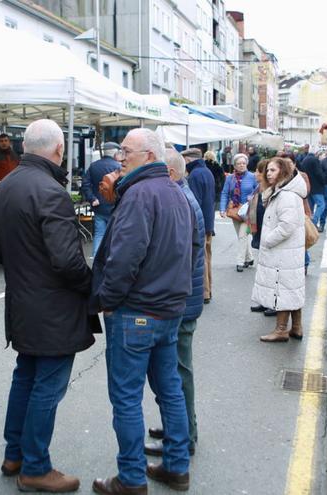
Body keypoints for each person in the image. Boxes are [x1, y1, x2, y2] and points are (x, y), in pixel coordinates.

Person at [0, 119, 98, 492]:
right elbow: (68, 261)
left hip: (21, 301)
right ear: (58, 149)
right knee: (47, 387)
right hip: (53, 309)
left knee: (25, 377)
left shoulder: (6, 186)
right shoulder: (50, 191)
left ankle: (15, 453)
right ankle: (35, 466)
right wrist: (92, 288)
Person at [91, 128, 193, 494]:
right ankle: (177, 466)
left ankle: (132, 477)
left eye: (127, 152)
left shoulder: (139, 194)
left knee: (127, 398)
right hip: (168, 310)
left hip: (137, 311)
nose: (120, 158)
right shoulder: (175, 192)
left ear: (149, 156)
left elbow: (123, 260)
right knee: (170, 391)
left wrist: (108, 300)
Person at [143, 148, 204, 459]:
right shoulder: (182, 196)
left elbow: (182, 258)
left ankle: (184, 436)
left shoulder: (181, 201)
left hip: (181, 302)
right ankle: (177, 428)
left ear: (169, 173)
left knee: (177, 372)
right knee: (174, 371)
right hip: (184, 298)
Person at [253, 157, 307, 343]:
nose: (268, 173)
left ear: (283, 172)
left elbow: (286, 226)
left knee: (282, 289)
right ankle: (297, 327)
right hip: (288, 251)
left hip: (283, 252)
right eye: (267, 170)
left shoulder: (287, 196)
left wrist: (267, 240)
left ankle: (281, 329)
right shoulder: (285, 192)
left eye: (273, 170)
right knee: (291, 288)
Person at [181, 148, 215, 303]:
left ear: (188, 160)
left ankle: (204, 292)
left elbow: (194, 203)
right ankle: (208, 290)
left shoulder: (194, 175)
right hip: (209, 221)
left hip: (200, 223)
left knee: (201, 258)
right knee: (207, 256)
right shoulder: (206, 171)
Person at [220, 153, 258, 273]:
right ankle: (250, 258)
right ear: (235, 165)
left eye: (243, 163)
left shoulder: (253, 177)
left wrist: (252, 198)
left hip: (248, 211)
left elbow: (259, 192)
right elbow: (225, 193)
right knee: (242, 237)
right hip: (235, 211)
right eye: (239, 163)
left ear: (246, 164)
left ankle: (240, 262)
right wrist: (222, 209)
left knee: (243, 235)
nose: (241, 165)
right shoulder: (230, 178)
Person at [81, 142, 122, 255]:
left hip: (98, 206)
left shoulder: (93, 166)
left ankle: (95, 260)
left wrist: (92, 198)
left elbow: (85, 184)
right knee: (114, 236)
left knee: (99, 234)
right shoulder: (119, 167)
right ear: (115, 154)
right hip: (115, 207)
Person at [301, 146, 327, 232]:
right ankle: (314, 221)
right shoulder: (315, 160)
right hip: (316, 187)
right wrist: (324, 180)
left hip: (308, 187)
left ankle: (308, 225)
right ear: (316, 152)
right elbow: (319, 173)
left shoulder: (305, 159)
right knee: (321, 204)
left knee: (310, 207)